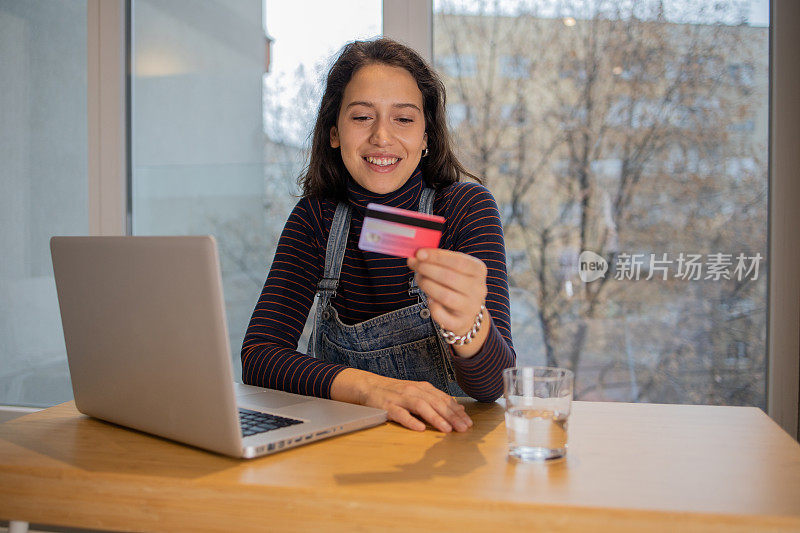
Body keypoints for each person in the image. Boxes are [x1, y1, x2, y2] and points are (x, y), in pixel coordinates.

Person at [242, 38, 515, 433]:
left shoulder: (464, 209)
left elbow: (494, 387)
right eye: (361, 117)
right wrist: (371, 389)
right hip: (343, 448)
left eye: (403, 119)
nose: (382, 138)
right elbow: (260, 356)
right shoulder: (316, 218)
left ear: (426, 136)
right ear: (334, 132)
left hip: (446, 450)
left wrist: (470, 325)